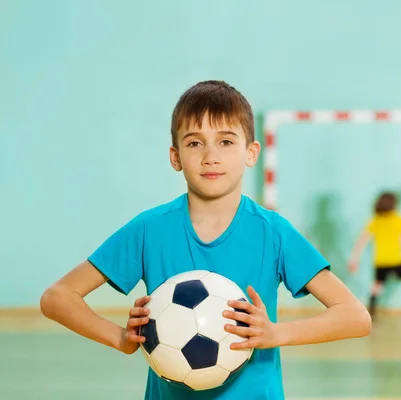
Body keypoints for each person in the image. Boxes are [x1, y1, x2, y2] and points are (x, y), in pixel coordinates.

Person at [39, 80, 372, 400]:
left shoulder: (273, 232)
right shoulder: (149, 229)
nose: (210, 156)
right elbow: (57, 298)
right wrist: (119, 338)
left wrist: (275, 333)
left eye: (226, 141)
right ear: (175, 157)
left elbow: (355, 317)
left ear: (251, 152)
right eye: (195, 143)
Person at [348, 192, 401, 318]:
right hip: (397, 260)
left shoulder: (375, 220)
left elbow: (362, 240)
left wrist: (354, 259)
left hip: (381, 261)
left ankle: (370, 315)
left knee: (376, 288)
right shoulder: (400, 220)